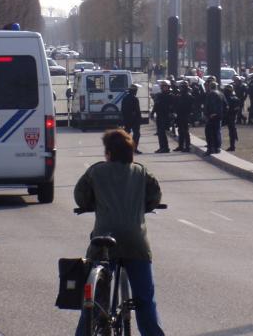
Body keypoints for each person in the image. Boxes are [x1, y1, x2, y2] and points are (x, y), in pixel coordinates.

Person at [73, 129, 165, 336]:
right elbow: (155, 196)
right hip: (136, 242)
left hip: (104, 240)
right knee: (145, 299)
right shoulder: (141, 172)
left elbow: (81, 196)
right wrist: (144, 206)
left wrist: (92, 204)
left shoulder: (95, 172)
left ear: (108, 152)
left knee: (94, 300)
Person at [150, 81, 173, 153]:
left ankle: (165, 148)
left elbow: (172, 107)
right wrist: (152, 112)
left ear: (168, 87)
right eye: (163, 86)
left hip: (165, 116)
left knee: (162, 132)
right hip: (159, 115)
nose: (164, 88)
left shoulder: (170, 96)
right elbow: (156, 105)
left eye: (165, 86)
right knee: (160, 133)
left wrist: (171, 113)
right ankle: (161, 147)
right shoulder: (159, 95)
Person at [121, 84, 143, 154]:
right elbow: (137, 110)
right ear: (134, 91)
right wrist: (140, 119)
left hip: (127, 119)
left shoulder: (125, 98)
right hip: (135, 120)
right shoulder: (135, 99)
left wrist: (124, 119)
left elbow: (122, 110)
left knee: (126, 134)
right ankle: (134, 148)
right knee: (136, 134)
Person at [203, 81, 225, 155]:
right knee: (217, 132)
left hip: (211, 116)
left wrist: (211, 114)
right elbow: (226, 105)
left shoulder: (211, 94)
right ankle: (217, 147)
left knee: (209, 133)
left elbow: (210, 105)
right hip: (219, 116)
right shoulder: (221, 94)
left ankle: (211, 148)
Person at [173, 81, 194, 152]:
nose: (182, 88)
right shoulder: (179, 96)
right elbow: (176, 106)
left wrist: (190, 116)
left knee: (185, 131)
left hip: (186, 115)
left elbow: (191, 107)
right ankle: (181, 146)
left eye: (183, 87)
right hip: (179, 115)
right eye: (182, 87)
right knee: (180, 131)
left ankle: (187, 146)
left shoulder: (189, 96)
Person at [223, 83, 240, 151]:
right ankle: (232, 146)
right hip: (231, 116)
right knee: (232, 131)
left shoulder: (226, 98)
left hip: (227, 116)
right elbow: (237, 108)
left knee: (216, 129)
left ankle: (232, 146)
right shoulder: (235, 98)